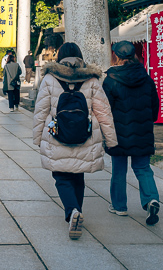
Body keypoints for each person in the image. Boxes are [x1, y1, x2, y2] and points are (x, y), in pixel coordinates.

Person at [33, 42, 117, 240]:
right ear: (80, 56)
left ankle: (72, 212)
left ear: (60, 56)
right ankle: (77, 210)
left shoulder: (49, 78)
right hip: (85, 135)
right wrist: (111, 140)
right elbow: (104, 112)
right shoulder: (92, 79)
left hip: (57, 135)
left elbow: (41, 111)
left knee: (61, 177)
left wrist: (37, 138)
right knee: (78, 176)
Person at [103, 40, 162, 225]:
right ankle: (151, 199)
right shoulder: (146, 78)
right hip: (142, 131)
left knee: (119, 170)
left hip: (119, 132)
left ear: (116, 56)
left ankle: (119, 206)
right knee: (143, 168)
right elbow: (155, 107)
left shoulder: (111, 80)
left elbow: (106, 109)